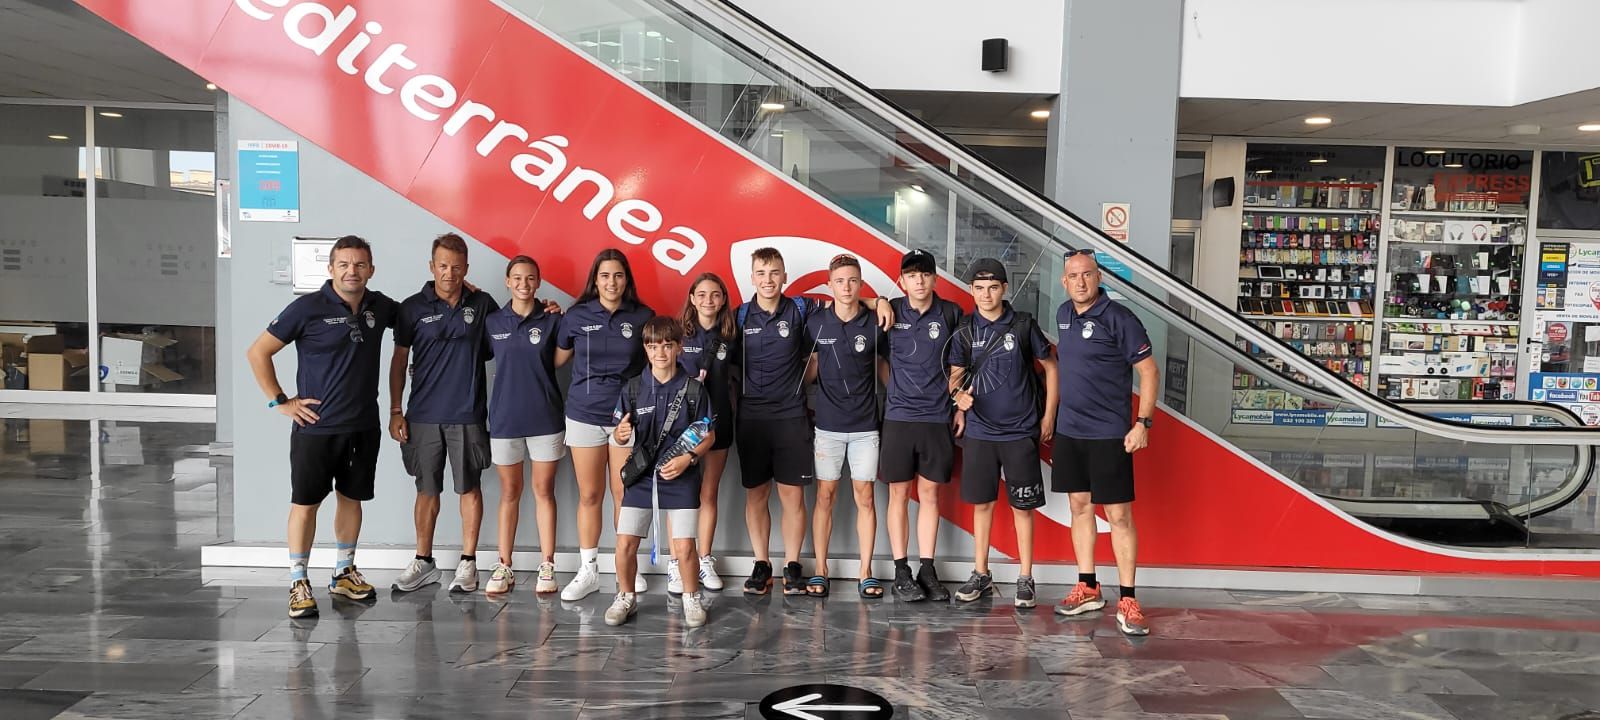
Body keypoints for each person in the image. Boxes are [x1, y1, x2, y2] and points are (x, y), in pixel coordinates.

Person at [246, 234, 398, 618]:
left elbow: (420, 314)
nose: (352, 271)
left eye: (360, 264)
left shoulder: (380, 306)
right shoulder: (307, 308)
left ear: (371, 270)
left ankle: (344, 573)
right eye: (344, 264)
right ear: (330, 269)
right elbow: (258, 352)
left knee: (352, 498)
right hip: (316, 428)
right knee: (305, 504)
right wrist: (281, 401)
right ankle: (298, 582)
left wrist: (463, 289)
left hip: (362, 426)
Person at [1051, 250, 1159, 636]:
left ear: (1099, 277)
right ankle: (1088, 587)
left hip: (1109, 434)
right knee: (1079, 508)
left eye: (1087, 274)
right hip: (1070, 432)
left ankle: (1128, 599)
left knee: (1118, 516)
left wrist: (1142, 423)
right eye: (1073, 276)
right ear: (1064, 281)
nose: (1080, 282)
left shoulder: (1120, 318)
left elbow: (1149, 372)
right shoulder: (1063, 314)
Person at [389, 233, 502, 594]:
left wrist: (546, 309)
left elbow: (514, 329)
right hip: (422, 415)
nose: (449, 273)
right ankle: (423, 561)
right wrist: (395, 409)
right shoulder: (411, 308)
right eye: (442, 266)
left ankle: (468, 564)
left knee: (469, 488)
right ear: (431, 266)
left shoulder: (483, 304)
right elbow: (399, 361)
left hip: (468, 414)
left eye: (456, 267)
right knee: (426, 490)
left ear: (466, 268)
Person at [948, 258, 1058, 608]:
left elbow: (1051, 368)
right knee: (983, 505)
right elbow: (954, 377)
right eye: (979, 288)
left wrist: (1048, 416)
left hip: (1020, 430)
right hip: (980, 432)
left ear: (1004, 289)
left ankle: (1025, 577)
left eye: (993, 287)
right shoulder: (965, 329)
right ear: (971, 290)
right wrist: (958, 397)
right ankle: (981, 573)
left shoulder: (1023, 325)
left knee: (1023, 508)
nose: (986, 294)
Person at [557, 249, 655, 600]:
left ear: (626, 280)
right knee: (589, 495)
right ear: (594, 281)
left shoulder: (643, 316)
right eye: (604, 276)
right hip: (583, 415)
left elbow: (656, 365)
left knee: (624, 494)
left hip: (626, 418)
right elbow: (555, 359)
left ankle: (626, 567)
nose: (611, 282)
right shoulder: (575, 316)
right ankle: (589, 570)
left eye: (618, 275)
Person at [605, 317, 715, 627]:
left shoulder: (693, 389)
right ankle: (625, 596)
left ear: (679, 347)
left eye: (667, 346)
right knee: (625, 542)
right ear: (645, 349)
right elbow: (619, 433)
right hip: (642, 477)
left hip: (681, 476)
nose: (660, 353)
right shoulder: (634, 387)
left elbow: (708, 435)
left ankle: (691, 597)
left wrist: (688, 459)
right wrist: (620, 436)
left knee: (684, 546)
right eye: (653, 347)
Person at [877, 249, 963, 602]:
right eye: (912, 275)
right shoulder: (891, 310)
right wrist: (896, 389)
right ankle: (901, 571)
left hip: (936, 417)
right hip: (899, 418)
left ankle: (927, 569)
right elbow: (881, 359)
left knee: (929, 495)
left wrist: (955, 403)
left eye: (925, 274)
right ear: (901, 281)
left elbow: (960, 363)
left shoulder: (951, 313)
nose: (919, 281)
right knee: (898, 495)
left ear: (935, 279)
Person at [735, 247, 822, 596]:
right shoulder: (740, 316)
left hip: (791, 416)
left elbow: (844, 303)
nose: (768, 280)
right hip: (752, 419)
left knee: (792, 496)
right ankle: (762, 564)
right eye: (761, 273)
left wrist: (878, 302)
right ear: (752, 278)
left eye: (774, 273)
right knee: (756, 495)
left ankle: (792, 565)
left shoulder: (800, 309)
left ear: (785, 276)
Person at [802, 254, 888, 599]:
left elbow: (884, 367)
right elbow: (810, 367)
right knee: (825, 496)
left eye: (853, 281)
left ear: (861, 283)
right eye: (840, 281)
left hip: (866, 426)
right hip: (827, 426)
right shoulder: (815, 323)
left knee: (865, 497)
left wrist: (899, 399)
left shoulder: (876, 322)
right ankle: (820, 569)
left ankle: (865, 572)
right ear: (829, 285)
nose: (847, 287)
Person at [483, 255, 565, 595]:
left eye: (530, 278)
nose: (523, 283)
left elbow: (561, 359)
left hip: (545, 418)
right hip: (505, 420)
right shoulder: (492, 322)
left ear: (538, 281)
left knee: (544, 491)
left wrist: (559, 313)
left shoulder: (552, 319)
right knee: (509, 493)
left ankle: (548, 564)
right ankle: (504, 565)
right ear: (507, 281)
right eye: (517, 277)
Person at [672, 273, 739, 593]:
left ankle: (704, 559)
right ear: (692, 298)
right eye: (701, 294)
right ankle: (676, 562)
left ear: (723, 299)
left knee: (708, 493)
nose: (708, 300)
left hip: (719, 421)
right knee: (679, 494)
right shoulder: (679, 334)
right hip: (681, 425)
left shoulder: (731, 335)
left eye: (715, 294)